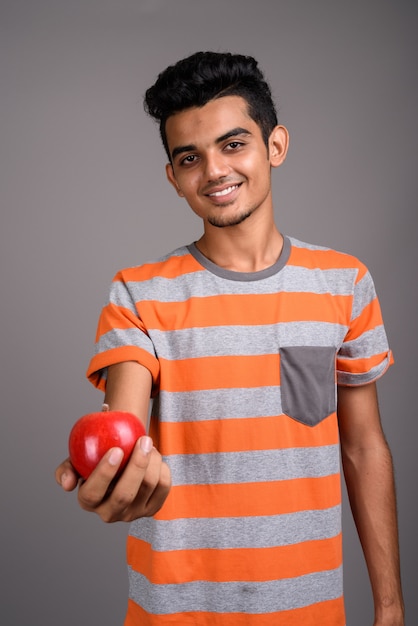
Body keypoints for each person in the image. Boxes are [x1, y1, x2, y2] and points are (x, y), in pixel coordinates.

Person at [56, 51, 404, 625]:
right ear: (173, 177)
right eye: (190, 157)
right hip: (175, 615)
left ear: (275, 146)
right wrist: (118, 473)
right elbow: (125, 427)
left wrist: (390, 606)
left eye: (233, 144)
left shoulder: (346, 283)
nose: (214, 170)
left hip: (311, 612)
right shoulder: (138, 294)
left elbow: (364, 448)